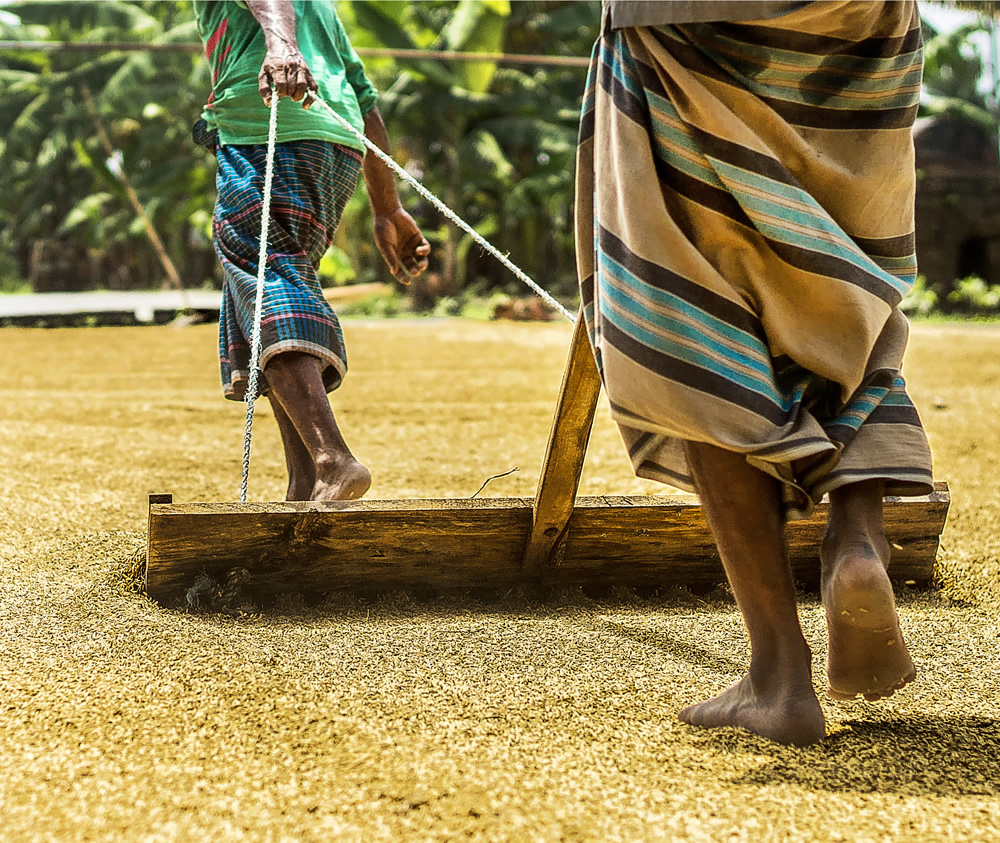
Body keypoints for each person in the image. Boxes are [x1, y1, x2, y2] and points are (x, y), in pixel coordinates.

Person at [576, 1, 933, 745]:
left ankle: (778, 675)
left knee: (696, 318)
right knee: (838, 274)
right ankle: (856, 539)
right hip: (860, 18)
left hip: (682, 18)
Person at [192, 0, 430, 501]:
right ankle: (304, 483)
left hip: (270, 128)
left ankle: (332, 460)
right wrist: (388, 209)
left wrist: (281, 45)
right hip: (336, 144)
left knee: (264, 272)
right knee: (278, 282)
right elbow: (363, 97)